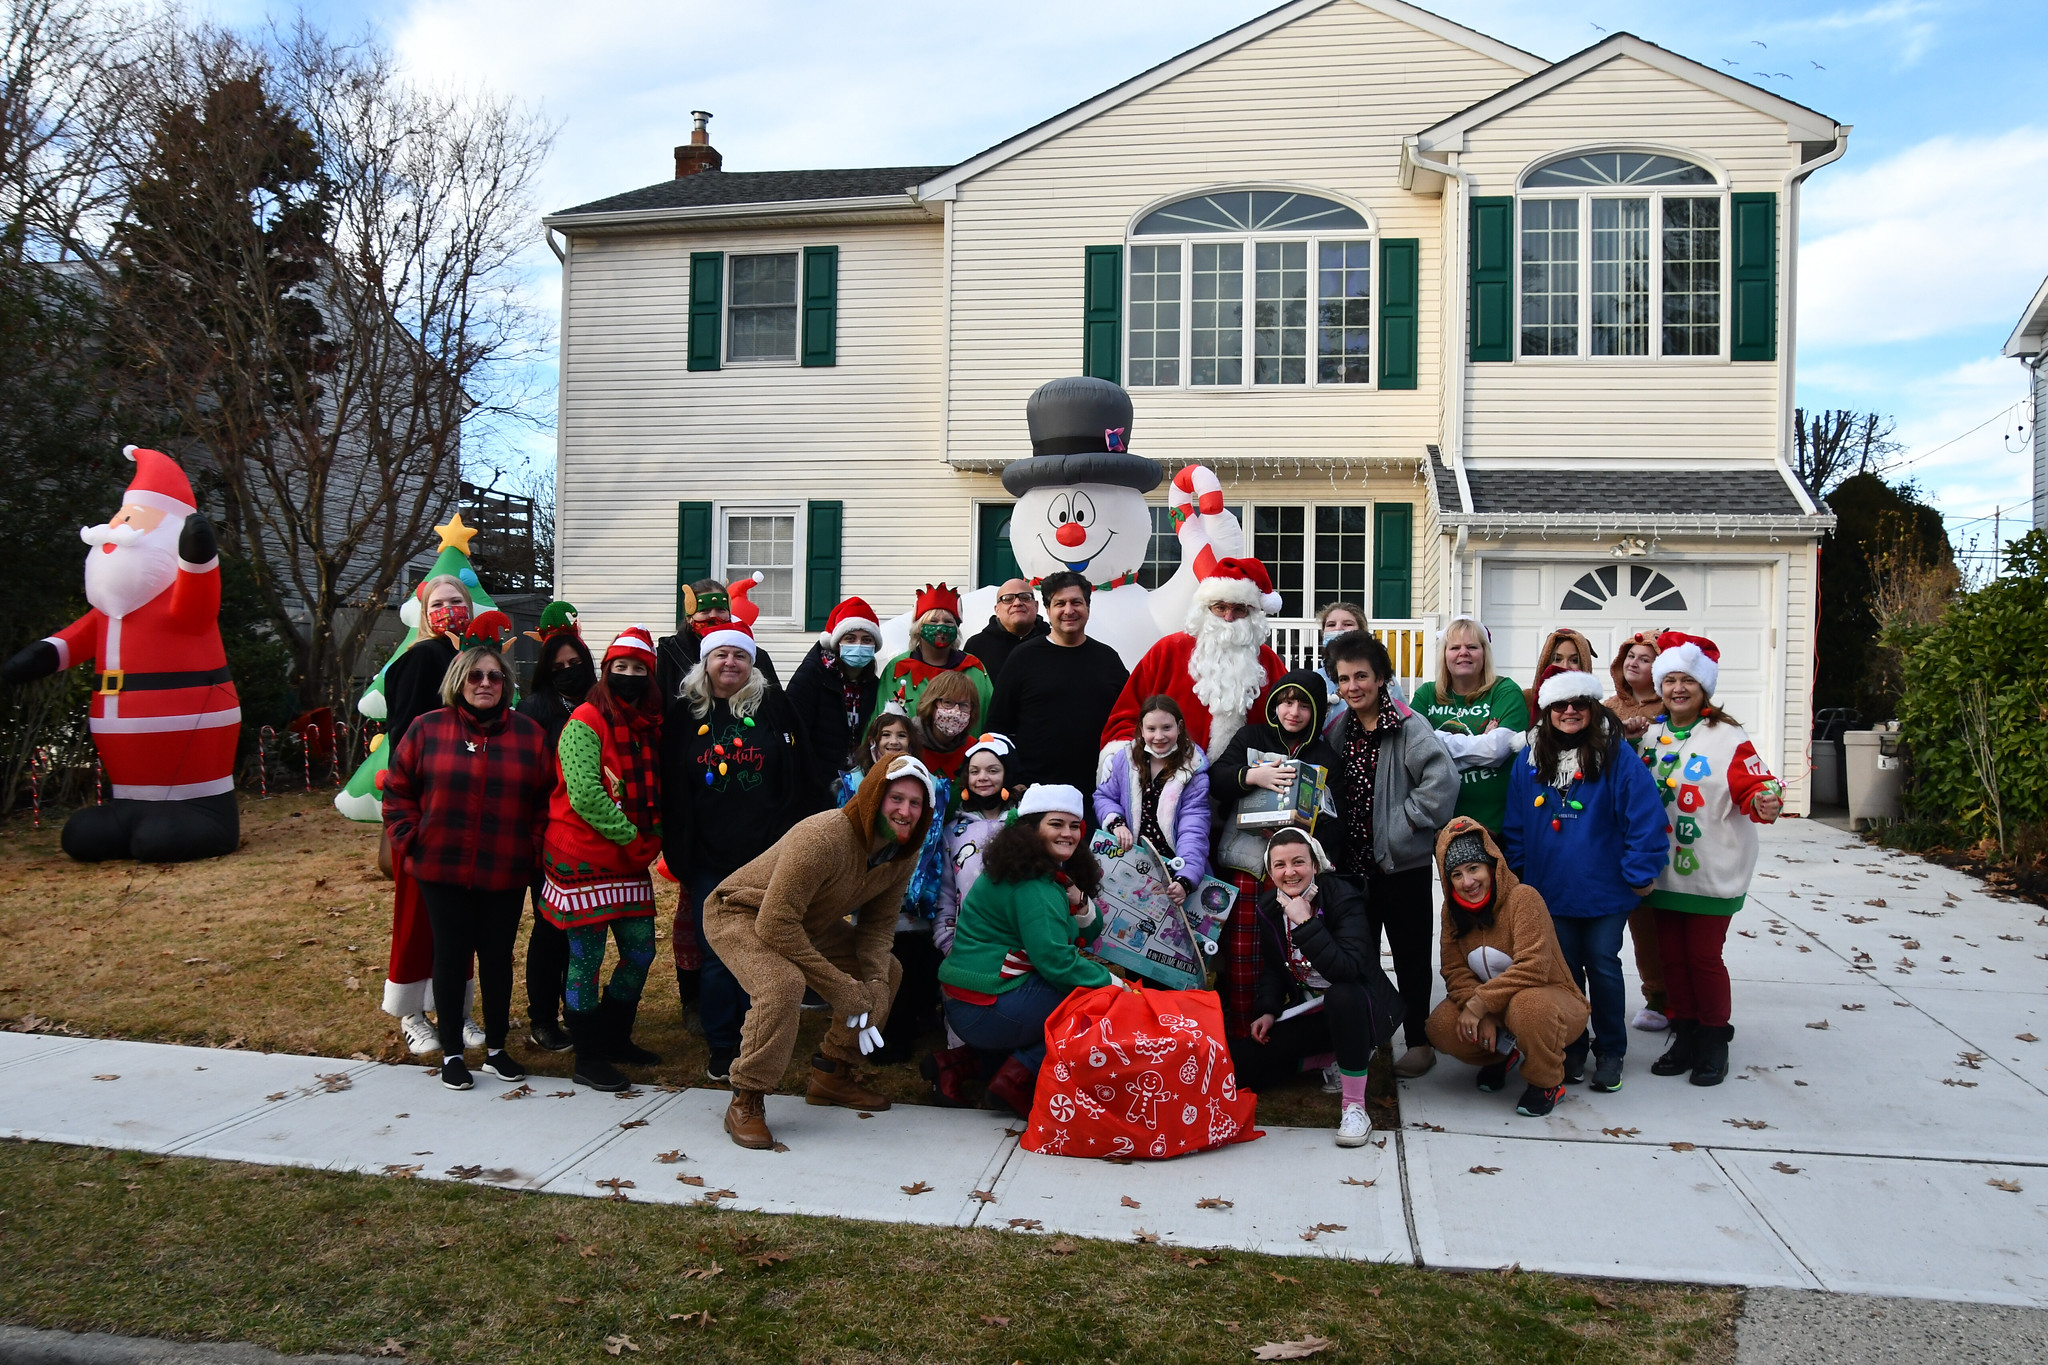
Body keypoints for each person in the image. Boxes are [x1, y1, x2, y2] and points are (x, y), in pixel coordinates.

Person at [703, 755, 938, 1150]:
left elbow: (877, 928)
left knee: (888, 971)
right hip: (742, 912)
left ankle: (832, 1074)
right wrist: (840, 988)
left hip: (807, 921)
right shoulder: (824, 836)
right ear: (874, 795)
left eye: (916, 804)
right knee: (782, 984)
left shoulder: (902, 855)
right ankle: (746, 1097)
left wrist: (875, 984)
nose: (905, 811)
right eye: (896, 798)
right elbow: (774, 924)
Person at [382, 644, 552, 1090]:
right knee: (451, 957)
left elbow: (544, 802)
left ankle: (496, 1049)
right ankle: (453, 1053)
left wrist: (531, 848)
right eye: (475, 676)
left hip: (506, 867)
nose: (485, 684)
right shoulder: (426, 729)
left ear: (506, 685)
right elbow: (397, 792)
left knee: (497, 958)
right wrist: (411, 840)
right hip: (441, 867)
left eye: (494, 677)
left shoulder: (529, 736)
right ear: (459, 681)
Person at [1502, 667, 1668, 1094]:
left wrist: (1640, 871)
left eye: (1579, 704)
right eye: (1561, 705)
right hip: (1550, 890)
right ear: (1547, 711)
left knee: (1603, 965)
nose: (1570, 711)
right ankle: (1572, 1045)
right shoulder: (1530, 758)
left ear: (1593, 709)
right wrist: (1521, 876)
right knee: (1564, 974)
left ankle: (1611, 1049)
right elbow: (1516, 822)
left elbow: (1645, 818)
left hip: (1605, 890)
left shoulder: (1617, 757)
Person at [659, 619, 812, 1084]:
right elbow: (671, 788)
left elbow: (799, 773)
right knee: (718, 956)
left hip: (766, 856)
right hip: (709, 858)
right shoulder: (684, 714)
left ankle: (759, 1039)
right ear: (706, 663)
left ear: (753, 663)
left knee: (764, 952)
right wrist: (681, 853)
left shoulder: (773, 708)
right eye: (721, 655)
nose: (731, 663)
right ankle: (722, 1044)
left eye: (740, 655)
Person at [1638, 633, 1783, 1088]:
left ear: (1704, 688)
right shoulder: (1650, 734)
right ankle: (1683, 1034)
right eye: (1670, 680)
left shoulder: (1728, 736)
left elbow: (1757, 784)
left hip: (1710, 870)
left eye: (1687, 680)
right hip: (1662, 870)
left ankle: (1714, 1038)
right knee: (1671, 960)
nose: (1678, 688)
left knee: (1703, 956)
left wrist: (1764, 799)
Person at [1322, 630, 1459, 1078]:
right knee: (1359, 957)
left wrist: (1402, 825)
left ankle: (1419, 1042)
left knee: (1410, 957)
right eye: (1343, 678)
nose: (1352, 686)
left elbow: (1443, 782)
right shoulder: (1339, 729)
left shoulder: (1407, 725)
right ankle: (1372, 1030)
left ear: (1381, 677)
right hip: (1355, 868)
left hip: (1401, 868)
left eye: (1361, 675)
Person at [540, 627, 666, 1092]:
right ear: (606, 670)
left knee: (640, 950)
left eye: (638, 669)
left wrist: (651, 837)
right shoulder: (585, 721)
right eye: (621, 667)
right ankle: (588, 1055)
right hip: (584, 856)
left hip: (629, 857)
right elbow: (586, 794)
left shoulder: (648, 724)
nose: (629, 676)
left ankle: (615, 1037)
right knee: (586, 958)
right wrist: (633, 838)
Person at [939, 784, 1114, 1118]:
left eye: (1074, 826)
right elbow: (1056, 962)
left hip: (972, 997)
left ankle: (956, 1065)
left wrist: (1078, 899)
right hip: (986, 1001)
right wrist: (1113, 986)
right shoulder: (1034, 884)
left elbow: (1086, 934)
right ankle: (1015, 1081)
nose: (1068, 833)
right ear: (1032, 829)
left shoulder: (1034, 872)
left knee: (1074, 993)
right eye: (1056, 824)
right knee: (1092, 1005)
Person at [1230, 828, 1404, 1146]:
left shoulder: (1343, 896)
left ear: (1315, 864)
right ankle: (1324, 1059)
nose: (1290, 872)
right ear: (1271, 871)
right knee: (1241, 1067)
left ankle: (1355, 1108)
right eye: (1280, 865)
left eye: (1298, 862)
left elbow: (1347, 970)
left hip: (1360, 1008)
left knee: (1342, 994)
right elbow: (1273, 967)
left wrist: (1306, 923)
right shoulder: (1270, 906)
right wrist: (1267, 1009)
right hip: (1311, 1011)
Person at [1207, 669, 1342, 1038]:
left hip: (1297, 874)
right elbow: (1217, 780)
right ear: (1274, 703)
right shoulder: (1252, 737)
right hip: (1249, 864)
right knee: (1242, 952)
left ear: (1316, 711)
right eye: (1286, 701)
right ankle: (1238, 1033)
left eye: (1303, 705)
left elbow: (1335, 820)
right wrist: (1252, 776)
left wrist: (1302, 833)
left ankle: (1295, 1033)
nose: (1293, 712)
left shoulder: (1326, 755)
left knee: (1294, 953)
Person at [1424, 820, 1591, 1118]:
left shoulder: (1523, 898)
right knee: (1441, 1026)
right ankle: (1500, 1054)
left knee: (1526, 1007)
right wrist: (1481, 1010)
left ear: (1493, 865)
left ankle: (1547, 1082)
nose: (1467, 882)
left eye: (1474, 868)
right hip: (1498, 1007)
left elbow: (1533, 967)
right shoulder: (1452, 912)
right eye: (1457, 875)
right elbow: (1454, 971)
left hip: (1553, 1001)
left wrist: (1479, 1005)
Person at [379, 573, 481, 1057]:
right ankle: (412, 1013)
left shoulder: (474, 663)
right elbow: (403, 740)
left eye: (456, 601)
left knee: (459, 919)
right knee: (417, 915)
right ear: (426, 612)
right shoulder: (422, 659)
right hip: (426, 813)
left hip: (470, 813)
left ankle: (457, 1011)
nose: (449, 610)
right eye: (439, 603)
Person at [1102, 558, 1286, 761]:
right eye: (1220, 607)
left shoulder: (1268, 661)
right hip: (1169, 778)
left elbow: (1292, 722)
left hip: (1245, 783)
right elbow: (1125, 716)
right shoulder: (1167, 651)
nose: (1228, 617)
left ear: (1251, 614)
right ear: (1205, 609)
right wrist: (1125, 756)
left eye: (1239, 609)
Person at [515, 605, 595, 1053]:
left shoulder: (601, 703)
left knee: (585, 929)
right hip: (546, 836)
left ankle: (579, 1008)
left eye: (575, 663)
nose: (568, 671)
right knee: (550, 930)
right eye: (558, 666)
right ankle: (543, 1017)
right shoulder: (533, 710)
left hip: (593, 837)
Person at [926, 732, 1020, 1104]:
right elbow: (946, 891)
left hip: (1016, 941)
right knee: (967, 1001)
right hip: (965, 941)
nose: (984, 777)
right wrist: (946, 938)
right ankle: (959, 1062)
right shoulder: (954, 831)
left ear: (1006, 774)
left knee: (1012, 1006)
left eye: (993, 770)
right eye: (976, 770)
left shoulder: (1024, 824)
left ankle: (1005, 1071)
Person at [986, 571, 1128, 794]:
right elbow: (997, 726)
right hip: (1035, 791)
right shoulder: (1023, 658)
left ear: (1088, 609)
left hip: (1099, 793)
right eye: (1060, 603)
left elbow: (1128, 719)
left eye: (1076, 602)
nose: (1069, 610)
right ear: (1048, 610)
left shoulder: (1108, 660)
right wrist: (1012, 779)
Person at [1603, 629, 1671, 1031]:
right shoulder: (1609, 707)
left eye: (1645, 658)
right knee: (1641, 915)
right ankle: (1656, 994)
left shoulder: (1673, 708)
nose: (1634, 663)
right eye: (1630, 656)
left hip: (1668, 820)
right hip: (1621, 824)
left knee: (1669, 916)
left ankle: (1674, 992)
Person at [1409, 616, 1530, 834]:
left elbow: (1497, 749)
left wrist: (1436, 741)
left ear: (1484, 653)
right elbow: (1415, 754)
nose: (1463, 652)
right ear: (1444, 655)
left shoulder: (1504, 690)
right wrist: (1480, 742)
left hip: (1496, 825)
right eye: (1454, 647)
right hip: (1440, 825)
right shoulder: (1426, 695)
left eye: (1472, 647)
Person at [1093, 695, 1212, 901]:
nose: (1159, 736)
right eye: (1151, 729)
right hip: (1131, 863)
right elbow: (1104, 796)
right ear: (1141, 729)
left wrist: (1185, 878)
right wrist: (1116, 822)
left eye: (1166, 727)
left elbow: (1194, 829)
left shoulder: (1194, 770)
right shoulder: (1124, 758)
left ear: (1180, 727)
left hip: (1174, 868)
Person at [784, 596, 883, 804]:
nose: (859, 645)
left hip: (858, 788)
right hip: (815, 789)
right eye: (850, 638)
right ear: (837, 643)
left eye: (867, 639)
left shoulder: (874, 685)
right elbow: (793, 733)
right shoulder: (812, 675)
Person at [882, 582, 992, 723]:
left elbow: (988, 717)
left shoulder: (974, 669)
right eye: (933, 621)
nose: (941, 627)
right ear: (918, 628)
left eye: (948, 622)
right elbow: (880, 724)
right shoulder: (898, 669)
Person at [656, 577, 779, 703]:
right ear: (689, 617)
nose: (714, 616)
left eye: (721, 610)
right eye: (705, 610)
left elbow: (775, 704)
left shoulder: (755, 656)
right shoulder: (668, 652)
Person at [963, 577, 1049, 682]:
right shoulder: (976, 646)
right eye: (1008, 599)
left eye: (1025, 597)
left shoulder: (1052, 641)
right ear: (997, 610)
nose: (1017, 603)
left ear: (1036, 606)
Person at [1521, 627, 1598, 717]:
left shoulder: (1595, 710)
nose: (1565, 666)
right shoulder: (1526, 701)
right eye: (1557, 659)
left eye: (1574, 660)